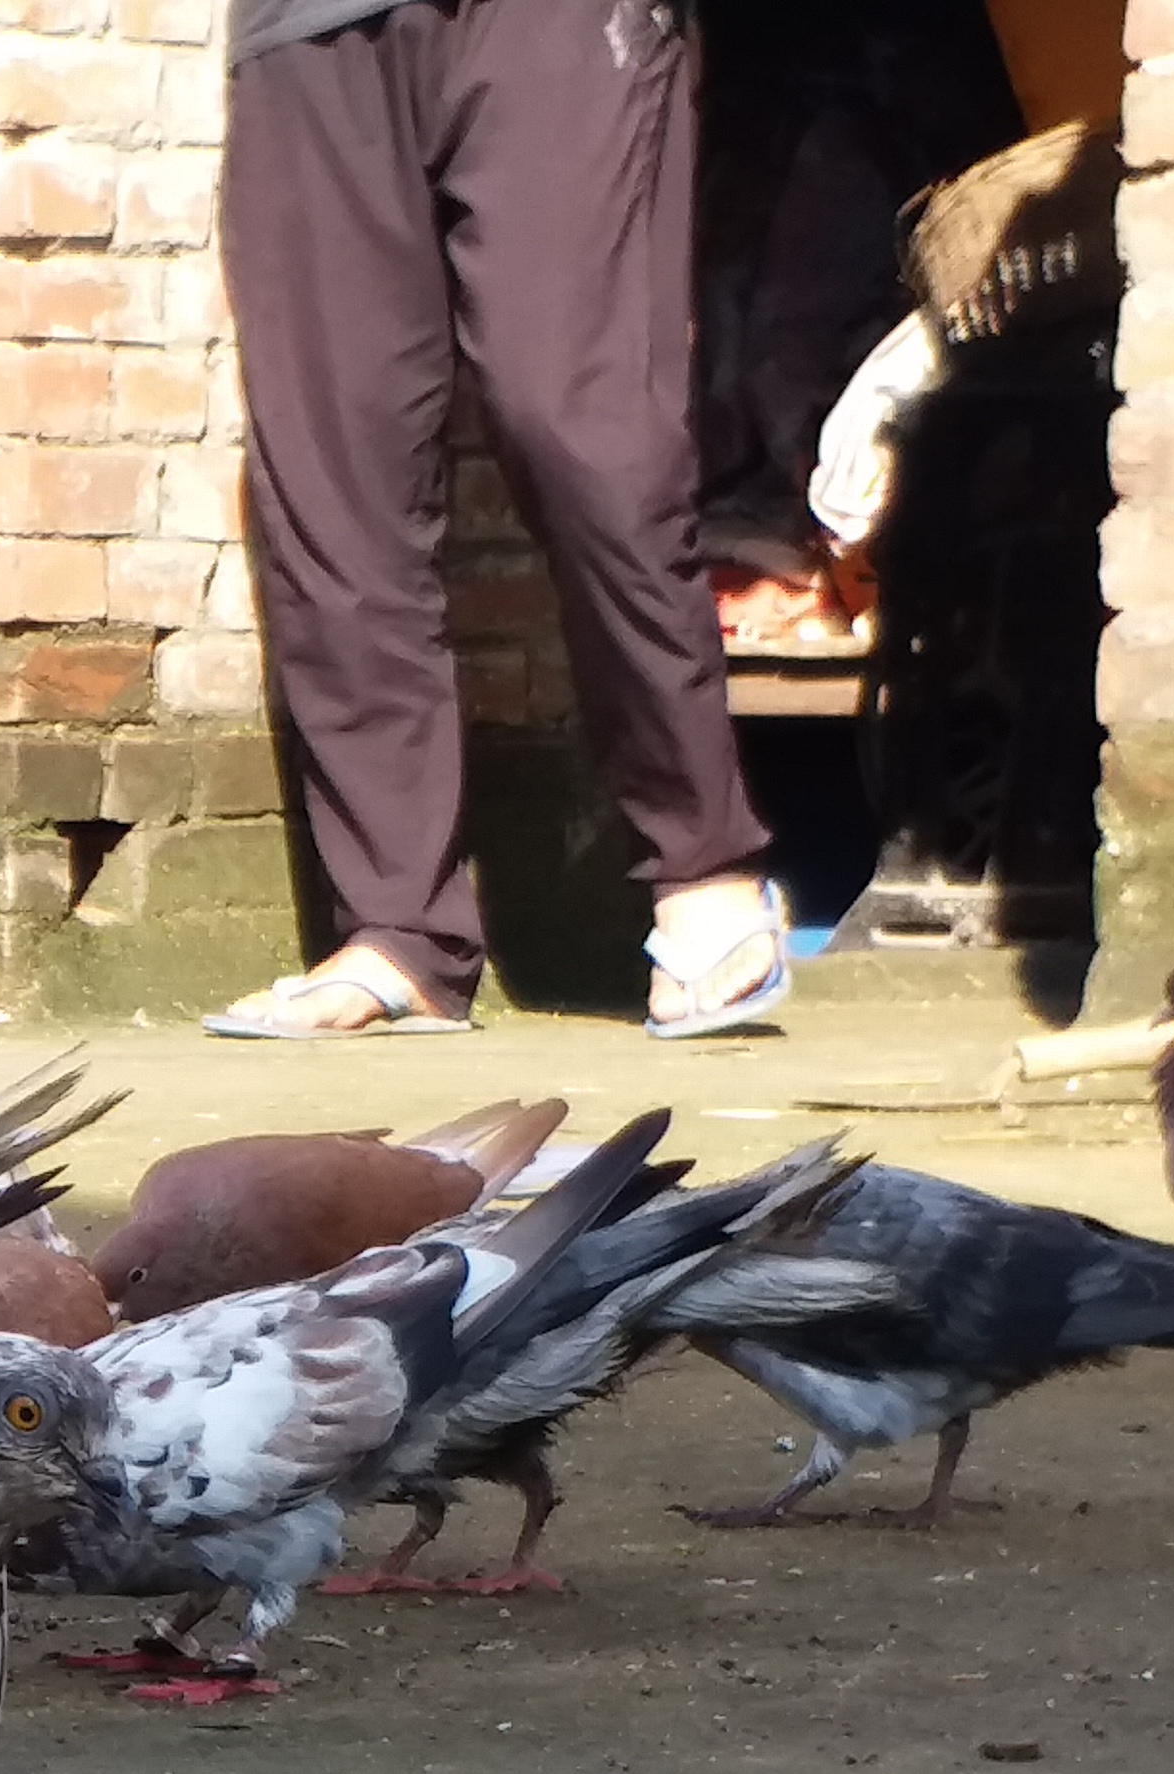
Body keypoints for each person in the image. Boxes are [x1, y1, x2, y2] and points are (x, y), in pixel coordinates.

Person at [201, 0, 789, 1044]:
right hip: (310, 26)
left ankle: (704, 867)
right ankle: (399, 930)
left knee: (582, 421)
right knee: (335, 463)